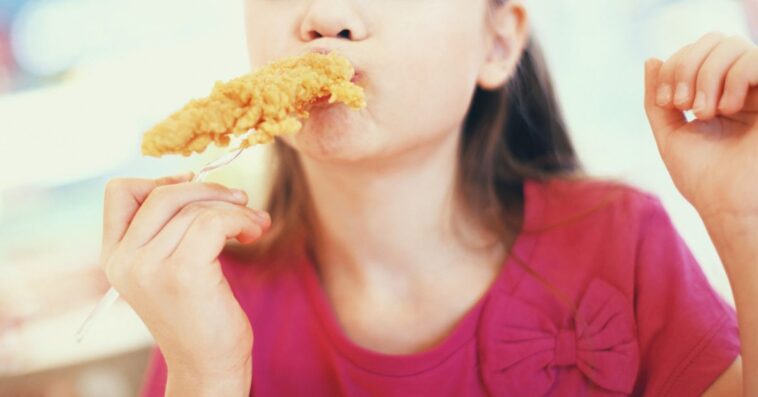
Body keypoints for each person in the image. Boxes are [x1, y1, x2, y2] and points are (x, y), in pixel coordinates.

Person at [99, 0, 756, 395]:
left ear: (497, 41)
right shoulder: (211, 304)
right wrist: (205, 372)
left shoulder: (620, 240)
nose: (325, 17)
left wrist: (745, 220)